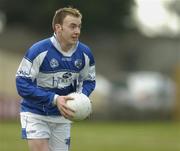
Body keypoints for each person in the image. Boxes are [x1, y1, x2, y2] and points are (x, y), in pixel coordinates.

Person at [15, 7, 96, 151]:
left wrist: (82, 97)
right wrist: (55, 99)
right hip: (35, 113)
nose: (77, 31)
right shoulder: (39, 50)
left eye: (79, 26)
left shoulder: (85, 54)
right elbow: (22, 83)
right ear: (58, 28)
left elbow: (89, 80)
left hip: (62, 116)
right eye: (72, 26)